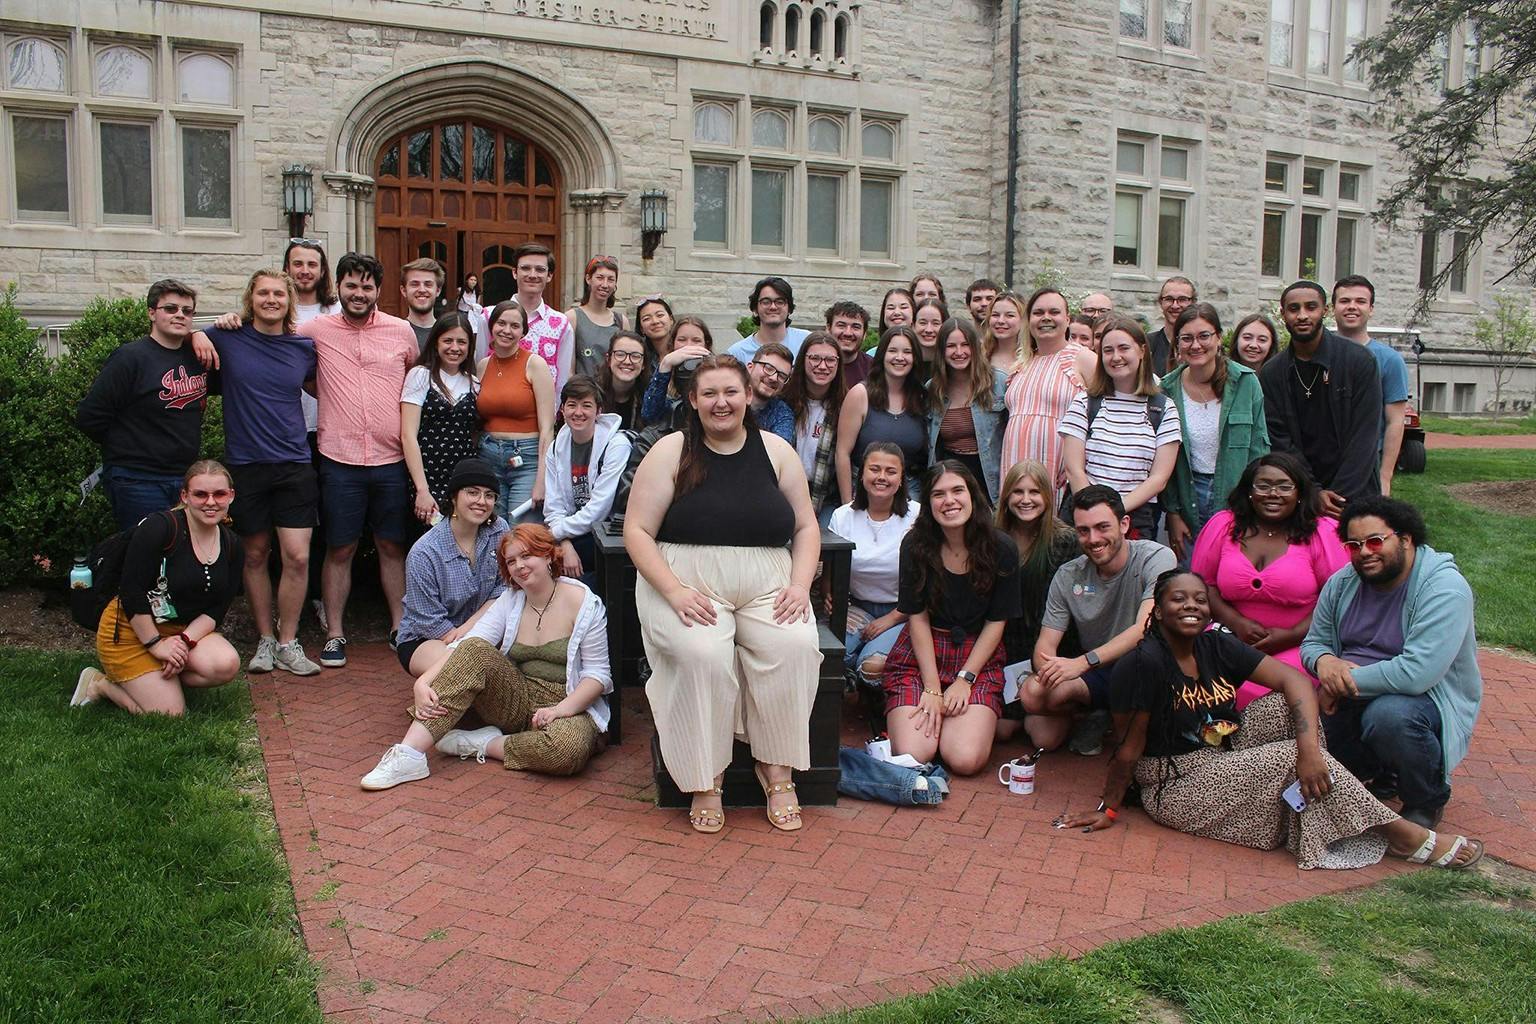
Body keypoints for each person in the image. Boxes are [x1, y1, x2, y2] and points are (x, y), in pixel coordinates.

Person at [1054, 570, 1483, 872]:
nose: (1191, 606)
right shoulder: (1143, 664)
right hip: (1174, 783)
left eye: (1200, 599)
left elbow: (1294, 681)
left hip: (1222, 749)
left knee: (1285, 709)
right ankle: (1402, 834)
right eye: (1178, 599)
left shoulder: (1215, 646)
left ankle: (1319, 795)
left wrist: (1310, 752)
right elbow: (1128, 748)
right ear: (1158, 612)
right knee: (1285, 756)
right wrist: (1109, 807)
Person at [624, 355, 821, 834]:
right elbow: (637, 531)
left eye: (731, 392)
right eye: (709, 393)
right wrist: (672, 592)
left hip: (768, 581)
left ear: (748, 395)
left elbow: (806, 526)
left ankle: (776, 767)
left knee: (795, 645)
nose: (721, 402)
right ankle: (704, 775)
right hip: (686, 581)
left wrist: (800, 585)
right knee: (702, 655)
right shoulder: (671, 450)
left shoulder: (776, 450)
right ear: (693, 400)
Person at [360, 523, 613, 788]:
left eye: (527, 556)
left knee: (566, 749)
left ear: (548, 555)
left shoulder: (584, 603)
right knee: (477, 649)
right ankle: (409, 755)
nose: (519, 566)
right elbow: (469, 645)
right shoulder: (511, 599)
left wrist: (559, 710)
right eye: (511, 561)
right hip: (516, 696)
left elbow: (597, 675)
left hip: (568, 703)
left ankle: (485, 743)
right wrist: (423, 682)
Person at [1303, 497, 1483, 832]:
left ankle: (1426, 798)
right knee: (1296, 713)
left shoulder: (1445, 589)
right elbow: (1314, 643)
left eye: (1375, 541)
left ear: (1405, 539)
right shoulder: (1342, 583)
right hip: (1352, 693)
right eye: (1354, 545)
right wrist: (1325, 662)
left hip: (1424, 699)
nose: (1364, 552)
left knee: (1390, 718)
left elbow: (1417, 674)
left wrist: (1341, 684)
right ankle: (1378, 770)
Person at [195, 269, 321, 676]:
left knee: (297, 557)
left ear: (289, 301)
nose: (271, 300)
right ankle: (265, 639)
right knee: (254, 554)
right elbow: (188, 340)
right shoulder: (227, 338)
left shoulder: (303, 348)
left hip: (294, 463)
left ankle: (288, 641)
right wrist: (200, 332)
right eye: (263, 293)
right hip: (246, 465)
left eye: (279, 294)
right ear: (251, 299)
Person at [302, 253, 420, 664]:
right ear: (338, 287)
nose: (358, 293)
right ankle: (335, 633)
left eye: (367, 286)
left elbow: (415, 379)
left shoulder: (401, 330)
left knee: (392, 545)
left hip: (391, 459)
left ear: (378, 290)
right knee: (340, 547)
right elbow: (275, 342)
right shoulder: (316, 329)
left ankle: (400, 627)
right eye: (351, 285)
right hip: (340, 459)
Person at [71, 460, 244, 715]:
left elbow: (217, 609)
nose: (210, 502)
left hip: (180, 630)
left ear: (231, 495)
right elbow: (131, 592)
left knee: (225, 664)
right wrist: (156, 645)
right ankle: (100, 685)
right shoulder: (159, 528)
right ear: (184, 496)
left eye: (219, 494)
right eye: (200, 494)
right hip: (132, 630)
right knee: (170, 715)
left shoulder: (233, 545)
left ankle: (158, 681)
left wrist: (183, 642)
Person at [882, 462, 1020, 775]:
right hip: (924, 652)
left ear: (972, 495)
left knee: (965, 760)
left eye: (958, 490)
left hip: (976, 656)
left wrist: (964, 679)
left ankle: (959, 726)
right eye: (938, 494)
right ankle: (916, 716)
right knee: (915, 754)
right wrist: (932, 688)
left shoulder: (1002, 548)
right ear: (928, 503)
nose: (949, 501)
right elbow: (916, 617)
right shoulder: (915, 545)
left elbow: (997, 622)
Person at [1191, 453, 1349, 709]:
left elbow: (1338, 598)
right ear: (1249, 491)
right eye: (1263, 485)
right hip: (1229, 636)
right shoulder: (1223, 525)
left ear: (1300, 493)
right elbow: (1201, 585)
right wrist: (1236, 622)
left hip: (1303, 642)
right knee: (1193, 676)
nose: (1273, 494)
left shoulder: (1323, 532)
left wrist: (1291, 635)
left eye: (1284, 486)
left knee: (1269, 694)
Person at [1025, 485, 1176, 753]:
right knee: (1032, 694)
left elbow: (1144, 628)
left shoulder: (1155, 557)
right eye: (1083, 530)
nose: (1093, 539)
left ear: (1124, 524)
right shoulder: (1068, 574)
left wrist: (1082, 663)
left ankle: (1119, 719)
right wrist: (1051, 671)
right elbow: (1045, 646)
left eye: (1102, 527)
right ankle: (1095, 713)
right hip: (1099, 670)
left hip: (1145, 666)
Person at [77, 278, 211, 530]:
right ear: (151, 313)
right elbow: (90, 416)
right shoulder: (130, 357)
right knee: (146, 548)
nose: (179, 315)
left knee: (181, 549)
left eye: (187, 311)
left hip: (185, 478)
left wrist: (199, 334)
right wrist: (129, 445)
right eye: (170, 308)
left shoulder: (197, 357)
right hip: (137, 479)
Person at [1260, 280, 1384, 515]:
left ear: (1324, 311)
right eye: (1294, 309)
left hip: (1356, 494)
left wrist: (1338, 496)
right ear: (1283, 314)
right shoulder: (1272, 373)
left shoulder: (1359, 361)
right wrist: (1313, 492)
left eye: (1311, 307)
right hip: (1300, 495)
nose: (1302, 315)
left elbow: (1364, 437)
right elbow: (1280, 441)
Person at [1160, 303, 1270, 559]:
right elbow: (1164, 458)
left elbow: (1259, 450)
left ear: (1219, 338)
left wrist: (1252, 505)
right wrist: (1173, 513)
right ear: (1177, 344)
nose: (1195, 345)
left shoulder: (1246, 382)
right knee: (1190, 574)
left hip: (1237, 497)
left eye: (1204, 336)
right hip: (1188, 499)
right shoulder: (1167, 389)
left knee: (1231, 572)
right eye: (1187, 338)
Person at [1059, 317, 1182, 539]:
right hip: (1084, 514)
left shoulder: (1163, 408)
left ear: (1142, 351)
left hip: (1136, 518)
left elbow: (1159, 478)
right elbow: (1074, 469)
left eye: (1124, 348)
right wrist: (1095, 512)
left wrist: (1115, 511)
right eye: (1108, 350)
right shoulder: (1085, 402)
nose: (1116, 357)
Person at [993, 459, 1083, 742]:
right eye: (1018, 492)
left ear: (1047, 495)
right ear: (1006, 496)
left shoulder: (1066, 540)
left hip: (1049, 646)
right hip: (1004, 648)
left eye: (1034, 492)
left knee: (1045, 738)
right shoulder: (992, 537)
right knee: (1001, 731)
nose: (1026, 500)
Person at [394, 458, 509, 677]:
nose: (481, 501)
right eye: (472, 492)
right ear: (454, 496)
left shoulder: (499, 530)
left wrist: (471, 628)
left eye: (489, 495)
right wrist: (466, 640)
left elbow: (504, 587)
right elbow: (428, 621)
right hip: (429, 638)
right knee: (464, 669)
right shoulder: (425, 553)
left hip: (484, 628)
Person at [829, 443, 916, 684]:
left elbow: (926, 580)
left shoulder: (917, 516)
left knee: (871, 667)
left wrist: (893, 618)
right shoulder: (842, 516)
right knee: (833, 655)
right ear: (862, 474)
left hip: (903, 612)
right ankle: (850, 684)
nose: (882, 477)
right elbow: (831, 571)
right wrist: (836, 604)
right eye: (874, 469)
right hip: (858, 607)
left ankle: (865, 688)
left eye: (891, 471)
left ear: (901, 478)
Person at [999, 288, 1094, 492]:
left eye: (1054, 312)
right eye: (1038, 313)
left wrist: (1081, 462)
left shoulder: (1083, 358)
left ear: (1067, 319)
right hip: (1014, 462)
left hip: (1059, 469)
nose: (1046, 317)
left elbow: (1107, 413)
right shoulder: (1022, 363)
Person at [543, 375, 633, 581]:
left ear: (598, 411)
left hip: (607, 532)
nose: (578, 412)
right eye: (571, 405)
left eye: (586, 405)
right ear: (562, 409)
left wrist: (555, 535)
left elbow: (599, 510)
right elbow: (553, 507)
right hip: (571, 532)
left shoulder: (616, 445)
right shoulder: (556, 447)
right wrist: (564, 543)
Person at [476, 300, 556, 524]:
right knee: (492, 528)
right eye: (501, 323)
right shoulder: (482, 366)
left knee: (521, 531)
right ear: (492, 326)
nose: (507, 330)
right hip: (489, 455)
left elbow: (547, 428)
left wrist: (542, 479)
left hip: (526, 459)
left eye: (514, 326)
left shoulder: (535, 365)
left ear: (523, 331)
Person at [1333, 275, 1411, 496]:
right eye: (1345, 301)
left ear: (1371, 309)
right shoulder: (1318, 354)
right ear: (1333, 308)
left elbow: (1395, 422)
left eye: (1360, 301)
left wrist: (1384, 477)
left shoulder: (1389, 360)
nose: (1352, 307)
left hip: (1368, 465)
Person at [401, 312, 481, 523]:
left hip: (462, 480)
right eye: (448, 340)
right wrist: (422, 489)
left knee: (460, 535)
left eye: (461, 342)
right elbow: (408, 435)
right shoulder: (420, 376)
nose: (455, 347)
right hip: (426, 477)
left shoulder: (473, 383)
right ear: (436, 343)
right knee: (429, 534)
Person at [835, 326, 930, 503]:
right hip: (864, 490)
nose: (899, 357)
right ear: (882, 355)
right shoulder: (860, 394)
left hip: (910, 492)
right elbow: (842, 453)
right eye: (892, 350)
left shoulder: (923, 398)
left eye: (907, 352)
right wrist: (847, 505)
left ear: (915, 358)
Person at [927, 317, 1008, 501]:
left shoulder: (999, 382)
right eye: (951, 346)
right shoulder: (933, 389)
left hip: (992, 481)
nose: (959, 352)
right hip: (951, 482)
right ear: (941, 351)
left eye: (965, 345)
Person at [782, 331, 847, 525]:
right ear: (803, 360)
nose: (822, 366)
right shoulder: (783, 401)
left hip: (826, 497)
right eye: (815, 358)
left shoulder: (846, 405)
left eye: (830, 360)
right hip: (784, 493)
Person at [511, 243, 576, 393]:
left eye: (540, 269)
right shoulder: (490, 317)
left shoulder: (561, 324)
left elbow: (562, 380)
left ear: (549, 276)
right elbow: (481, 367)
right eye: (525, 268)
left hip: (544, 407)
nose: (532, 275)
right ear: (514, 272)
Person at [640, 315, 714, 426]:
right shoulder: (664, 372)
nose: (688, 346)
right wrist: (665, 367)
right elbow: (649, 416)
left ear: (706, 345)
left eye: (696, 340)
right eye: (682, 340)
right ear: (673, 343)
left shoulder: (717, 372)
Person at [727, 277, 810, 363]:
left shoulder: (806, 341)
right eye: (766, 302)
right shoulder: (737, 354)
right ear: (755, 308)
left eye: (780, 302)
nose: (773, 307)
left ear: (789, 308)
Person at [569, 254, 626, 380]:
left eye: (610, 279)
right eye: (600, 278)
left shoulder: (621, 321)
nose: (605, 285)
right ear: (588, 279)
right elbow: (568, 368)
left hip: (613, 390)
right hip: (583, 389)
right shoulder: (573, 317)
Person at [596, 329, 651, 431]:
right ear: (608, 359)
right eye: (620, 354)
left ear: (643, 364)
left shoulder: (650, 397)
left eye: (635, 356)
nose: (627, 361)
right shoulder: (591, 393)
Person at [1145, 275, 1195, 377]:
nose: (1175, 305)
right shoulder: (1147, 344)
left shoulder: (1201, 347)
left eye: (1182, 299)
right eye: (1169, 299)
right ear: (1161, 302)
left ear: (1193, 302)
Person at [747, 341, 796, 444]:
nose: (774, 378)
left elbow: (779, 449)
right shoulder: (729, 397)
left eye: (782, 376)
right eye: (768, 368)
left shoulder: (782, 414)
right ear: (750, 367)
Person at [826, 300, 874, 388]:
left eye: (856, 327)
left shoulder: (874, 370)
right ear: (828, 329)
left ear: (865, 334)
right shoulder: (812, 365)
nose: (848, 333)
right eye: (841, 325)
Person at [400, 257, 445, 351]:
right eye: (414, 284)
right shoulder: (395, 333)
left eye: (428, 284)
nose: (422, 290)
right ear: (403, 291)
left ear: (438, 291)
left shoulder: (447, 334)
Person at [984, 289, 1025, 373]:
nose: (1001, 321)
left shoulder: (1032, 358)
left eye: (1009, 315)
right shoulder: (980, 356)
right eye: (995, 315)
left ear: (1023, 320)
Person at [634, 295, 676, 370]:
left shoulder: (683, 349)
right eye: (647, 319)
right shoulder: (639, 357)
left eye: (660, 315)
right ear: (641, 328)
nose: (655, 321)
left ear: (671, 319)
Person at [912, 297, 948, 365]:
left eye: (935, 323)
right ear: (913, 325)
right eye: (923, 323)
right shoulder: (903, 362)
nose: (928, 330)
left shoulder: (953, 364)